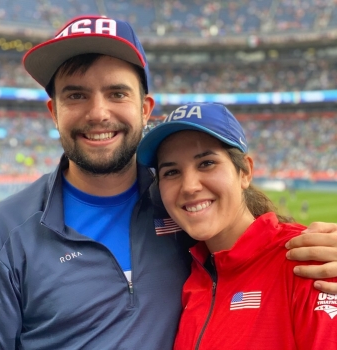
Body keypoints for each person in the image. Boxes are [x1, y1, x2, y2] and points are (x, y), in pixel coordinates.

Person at [0, 14, 336, 350]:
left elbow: (252, 247)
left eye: (117, 93)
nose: (98, 113)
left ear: (145, 108)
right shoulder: (3, 233)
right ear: (53, 111)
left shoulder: (183, 212)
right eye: (76, 95)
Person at [136, 102, 337, 349]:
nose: (189, 186)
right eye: (171, 172)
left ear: (245, 173)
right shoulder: (190, 273)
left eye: (206, 163)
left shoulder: (308, 261)